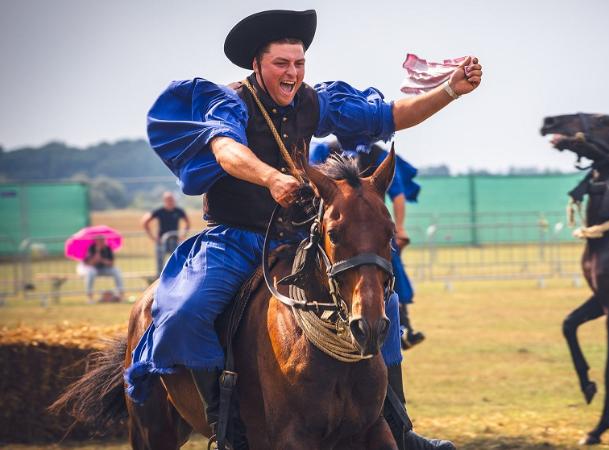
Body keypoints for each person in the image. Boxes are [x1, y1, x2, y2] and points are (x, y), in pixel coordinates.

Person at [126, 9, 481, 449]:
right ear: (258, 65)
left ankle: (399, 427)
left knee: (380, 303)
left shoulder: (315, 102)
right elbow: (226, 152)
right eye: (282, 64)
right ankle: (226, 426)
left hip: (298, 239)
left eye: (298, 64)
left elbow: (389, 115)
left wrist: (449, 90)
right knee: (184, 314)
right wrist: (271, 177)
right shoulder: (229, 101)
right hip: (232, 240)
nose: (292, 73)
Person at [310, 140, 427, 349]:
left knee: (389, 263)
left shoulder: (379, 155)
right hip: (329, 229)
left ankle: (403, 327)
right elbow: (308, 189)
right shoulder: (323, 151)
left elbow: (397, 195)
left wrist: (399, 228)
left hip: (369, 228)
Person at [141, 191, 190, 276]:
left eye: (172, 199)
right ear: (164, 201)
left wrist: (183, 235)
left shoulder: (179, 211)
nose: (171, 201)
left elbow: (187, 223)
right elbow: (145, 221)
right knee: (160, 266)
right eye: (168, 200)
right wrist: (153, 237)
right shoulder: (159, 211)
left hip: (175, 241)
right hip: (161, 241)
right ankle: (159, 281)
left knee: (177, 262)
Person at [82, 235, 124, 303]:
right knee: (90, 273)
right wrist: (97, 252)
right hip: (93, 269)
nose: (103, 241)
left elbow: (111, 264)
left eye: (103, 240)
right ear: (96, 241)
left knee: (117, 271)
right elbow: (89, 263)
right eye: (100, 240)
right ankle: (89, 297)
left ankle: (121, 295)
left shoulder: (108, 248)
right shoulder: (91, 248)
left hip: (104, 269)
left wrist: (102, 260)